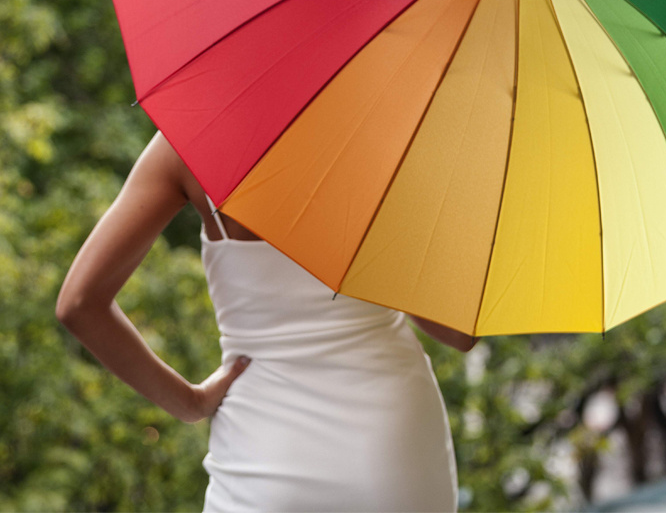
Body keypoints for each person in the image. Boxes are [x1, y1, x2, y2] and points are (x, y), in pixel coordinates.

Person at [57, 131, 477, 512]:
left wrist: (189, 403)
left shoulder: (191, 138)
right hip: (392, 450)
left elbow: (79, 304)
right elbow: (458, 333)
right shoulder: (395, 131)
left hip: (264, 451)